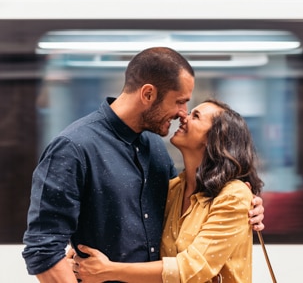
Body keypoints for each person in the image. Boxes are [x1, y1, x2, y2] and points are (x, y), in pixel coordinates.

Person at [22, 47, 265, 283]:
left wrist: (249, 206)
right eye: (180, 101)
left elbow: (186, 219)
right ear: (148, 94)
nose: (183, 113)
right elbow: (43, 249)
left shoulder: (156, 149)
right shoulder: (74, 147)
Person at [73, 99, 263, 283]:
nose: (183, 117)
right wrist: (84, 247)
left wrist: (108, 270)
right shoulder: (172, 191)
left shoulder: (233, 195)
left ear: (214, 138)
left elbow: (191, 270)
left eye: (195, 116)